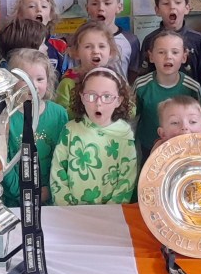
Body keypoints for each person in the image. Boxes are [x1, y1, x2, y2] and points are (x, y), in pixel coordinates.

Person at [50, 67, 138, 205]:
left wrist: (110, 211)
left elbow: (126, 180)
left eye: (107, 97)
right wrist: (66, 206)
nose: (98, 103)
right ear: (82, 97)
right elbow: (58, 170)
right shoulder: (70, 130)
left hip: (108, 214)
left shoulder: (124, 136)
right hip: (70, 212)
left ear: (119, 101)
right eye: (91, 96)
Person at [2, 48, 68, 205]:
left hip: (51, 198)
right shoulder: (4, 117)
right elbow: (3, 161)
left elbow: (65, 158)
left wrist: (51, 189)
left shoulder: (59, 114)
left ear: (48, 81)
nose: (34, 85)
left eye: (39, 79)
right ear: (12, 81)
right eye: (25, 79)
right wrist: (21, 192)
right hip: (15, 201)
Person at [132, 30, 201, 160]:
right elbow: (132, 118)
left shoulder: (192, 87)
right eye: (161, 52)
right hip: (147, 146)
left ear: (184, 57)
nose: (168, 57)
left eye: (175, 52)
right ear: (151, 56)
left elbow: (199, 119)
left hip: (183, 146)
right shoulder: (141, 85)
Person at [136, 0, 201, 84]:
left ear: (187, 8)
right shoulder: (150, 40)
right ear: (157, 10)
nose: (172, 7)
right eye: (166, 3)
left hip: (190, 93)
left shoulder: (198, 40)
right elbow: (143, 75)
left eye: (178, 2)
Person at [53, 20, 119, 110]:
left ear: (111, 52)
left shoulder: (117, 79)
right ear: (76, 52)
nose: (96, 51)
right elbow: (61, 113)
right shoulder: (68, 83)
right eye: (88, 46)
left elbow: (131, 110)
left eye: (101, 46)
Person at [85, 0, 140, 81]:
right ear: (87, 8)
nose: (101, 8)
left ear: (119, 7)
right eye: (95, 4)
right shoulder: (80, 40)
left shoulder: (131, 41)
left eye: (107, 3)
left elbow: (133, 76)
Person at [10, 0, 69, 76]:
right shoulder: (15, 44)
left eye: (44, 6)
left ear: (51, 15)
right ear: (20, 14)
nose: (39, 10)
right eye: (31, 6)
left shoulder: (59, 46)